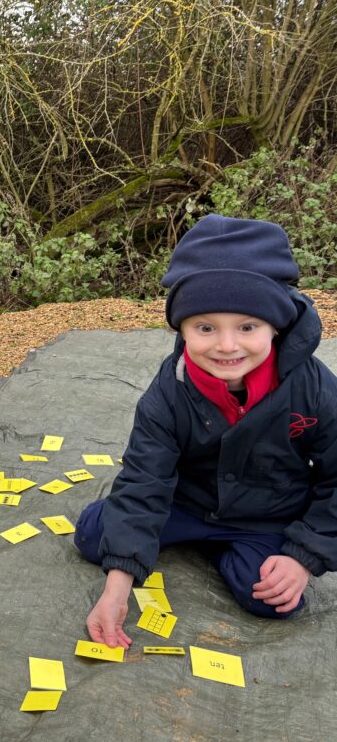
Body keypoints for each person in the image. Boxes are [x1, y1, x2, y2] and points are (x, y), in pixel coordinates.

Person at [75, 214, 337, 649]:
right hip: (187, 501)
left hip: (267, 513)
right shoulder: (168, 390)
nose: (227, 345)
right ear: (181, 327)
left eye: (248, 327)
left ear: (277, 325)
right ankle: (192, 538)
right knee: (92, 536)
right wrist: (117, 588)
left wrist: (303, 557)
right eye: (205, 327)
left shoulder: (316, 390)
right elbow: (146, 479)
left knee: (274, 601)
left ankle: (223, 548)